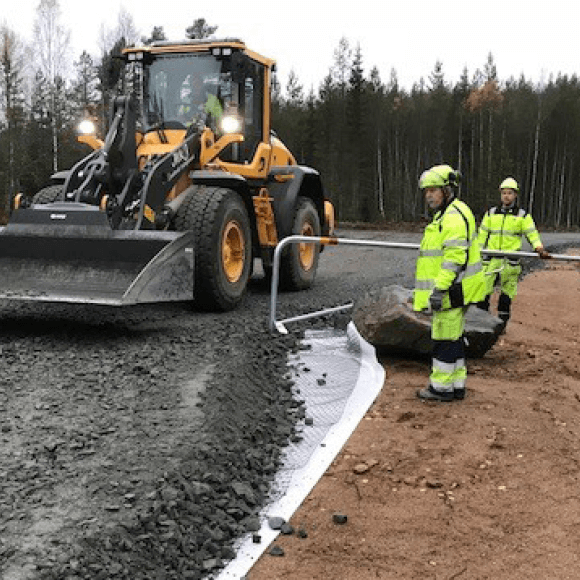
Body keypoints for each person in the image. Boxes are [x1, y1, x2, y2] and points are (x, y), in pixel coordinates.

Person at [413, 165, 486, 402]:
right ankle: (456, 385)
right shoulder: (452, 212)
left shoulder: (452, 217)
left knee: (444, 338)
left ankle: (440, 388)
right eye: (426, 191)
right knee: (453, 337)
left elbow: (454, 258)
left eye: (433, 190)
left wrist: (439, 289)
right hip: (461, 287)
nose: (429, 196)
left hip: (451, 290)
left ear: (447, 190)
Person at [477, 177, 550, 327]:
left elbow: (532, 234)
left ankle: (501, 326)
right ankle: (481, 324)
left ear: (515, 195)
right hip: (491, 260)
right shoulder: (491, 214)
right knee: (482, 293)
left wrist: (539, 248)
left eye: (509, 193)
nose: (506, 196)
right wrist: (476, 252)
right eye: (504, 193)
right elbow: (482, 235)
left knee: (506, 296)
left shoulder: (522, 216)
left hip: (510, 262)